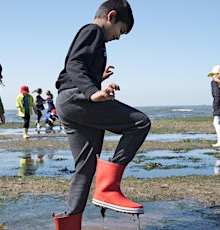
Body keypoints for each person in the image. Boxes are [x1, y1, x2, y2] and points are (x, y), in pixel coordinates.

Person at [51, 1, 150, 229]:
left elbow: (79, 67)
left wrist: (98, 78)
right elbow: (73, 64)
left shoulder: (94, 38)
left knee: (85, 168)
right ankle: (108, 189)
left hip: (69, 103)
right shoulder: (92, 30)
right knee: (140, 123)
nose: (119, 37)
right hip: (78, 99)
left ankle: (69, 225)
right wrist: (93, 92)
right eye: (121, 31)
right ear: (111, 16)